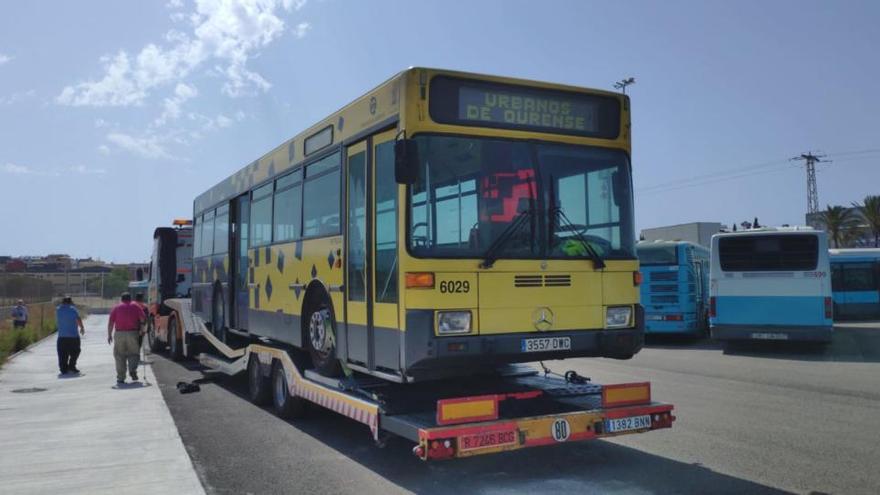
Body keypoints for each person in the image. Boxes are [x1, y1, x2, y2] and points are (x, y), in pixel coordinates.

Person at [107, 292, 145, 385]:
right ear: (130, 298)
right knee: (134, 353)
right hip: (133, 333)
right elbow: (143, 319)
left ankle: (121, 378)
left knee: (119, 356)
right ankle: (132, 370)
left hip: (119, 333)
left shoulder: (116, 307)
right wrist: (142, 330)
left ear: (121, 299)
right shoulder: (136, 306)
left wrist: (109, 335)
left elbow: (111, 323)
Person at [56, 296, 85, 374]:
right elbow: (78, 319)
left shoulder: (58, 310)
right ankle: (72, 366)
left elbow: (60, 306)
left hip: (62, 336)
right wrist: (82, 327)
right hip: (73, 336)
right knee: (76, 351)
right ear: (70, 302)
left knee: (62, 353)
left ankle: (63, 369)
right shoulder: (73, 310)